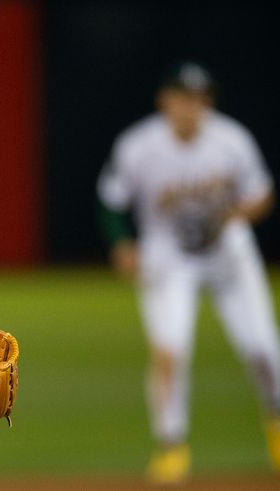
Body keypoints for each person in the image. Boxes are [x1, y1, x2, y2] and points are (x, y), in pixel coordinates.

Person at [97, 60, 280, 484]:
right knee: (169, 351)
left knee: (263, 349)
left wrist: (236, 213)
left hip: (228, 251)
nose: (190, 106)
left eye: (199, 98)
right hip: (169, 255)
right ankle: (171, 445)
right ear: (165, 100)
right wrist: (123, 243)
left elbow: (262, 194)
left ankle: (275, 424)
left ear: (208, 102)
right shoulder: (139, 145)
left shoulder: (231, 140)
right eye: (182, 97)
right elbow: (110, 199)